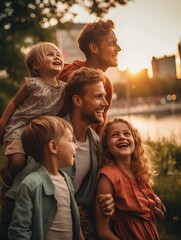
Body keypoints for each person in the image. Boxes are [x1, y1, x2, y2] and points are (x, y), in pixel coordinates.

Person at [0, 41, 65, 195]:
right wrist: (2, 122)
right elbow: (14, 102)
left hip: (38, 132)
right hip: (19, 126)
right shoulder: (33, 84)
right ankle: (6, 182)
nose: (57, 57)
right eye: (50, 55)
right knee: (18, 162)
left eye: (58, 55)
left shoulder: (64, 88)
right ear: (36, 65)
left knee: (35, 163)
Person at [8, 115, 84, 240]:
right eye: (71, 140)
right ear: (53, 147)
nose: (76, 146)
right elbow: (19, 230)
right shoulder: (30, 184)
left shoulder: (66, 179)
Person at [62, 67, 114, 240]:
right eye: (98, 96)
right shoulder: (51, 137)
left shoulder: (95, 143)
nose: (105, 103)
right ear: (77, 100)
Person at [95, 117, 166, 240]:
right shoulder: (107, 176)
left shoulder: (139, 173)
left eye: (127, 133)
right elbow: (102, 231)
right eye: (114, 135)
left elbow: (148, 211)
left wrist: (156, 209)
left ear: (135, 140)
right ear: (107, 146)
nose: (122, 137)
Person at [58, 19, 121, 135]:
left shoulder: (106, 85)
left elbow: (99, 130)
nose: (118, 48)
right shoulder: (64, 73)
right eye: (112, 43)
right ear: (94, 48)